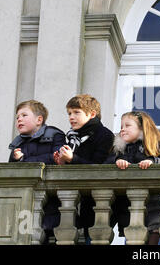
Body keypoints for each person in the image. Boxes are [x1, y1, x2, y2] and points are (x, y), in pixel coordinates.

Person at [105, 111, 160, 245]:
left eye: (127, 126)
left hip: (154, 203)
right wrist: (117, 161)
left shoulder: (155, 146)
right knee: (133, 237)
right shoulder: (119, 150)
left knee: (152, 238)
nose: (122, 129)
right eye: (121, 126)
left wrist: (153, 162)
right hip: (130, 205)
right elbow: (106, 165)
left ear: (142, 128)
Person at [54, 94, 114, 243]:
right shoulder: (74, 136)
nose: (71, 117)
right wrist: (62, 162)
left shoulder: (104, 135)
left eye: (76, 112)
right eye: (69, 113)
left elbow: (98, 168)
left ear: (92, 114)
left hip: (95, 202)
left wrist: (72, 158)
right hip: (76, 201)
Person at [8, 100, 65, 244]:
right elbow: (10, 171)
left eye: (24, 115)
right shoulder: (17, 143)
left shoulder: (55, 135)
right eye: (17, 117)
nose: (19, 119)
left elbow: (56, 158)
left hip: (52, 200)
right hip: (26, 202)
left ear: (39, 120)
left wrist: (24, 160)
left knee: (50, 236)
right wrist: (17, 160)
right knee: (27, 237)